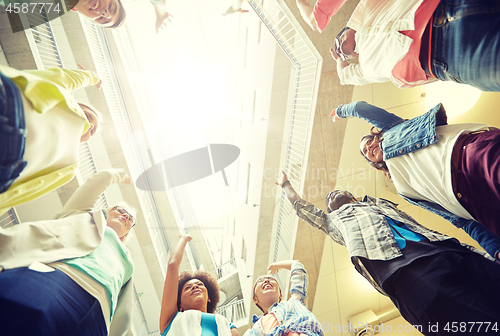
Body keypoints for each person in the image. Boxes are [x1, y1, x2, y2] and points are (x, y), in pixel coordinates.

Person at [277, 171, 500, 333]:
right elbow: (303, 209)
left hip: (447, 248)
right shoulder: (334, 223)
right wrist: (286, 184)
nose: (331, 196)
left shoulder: (379, 204)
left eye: (337, 191)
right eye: (328, 200)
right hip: (408, 273)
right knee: (479, 324)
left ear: (353, 196)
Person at [331, 101, 500, 250]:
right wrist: (493, 247)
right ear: (372, 161)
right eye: (365, 151)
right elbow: (459, 220)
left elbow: (361, 108)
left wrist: (341, 111)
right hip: (468, 199)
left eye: (369, 142)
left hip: (469, 156)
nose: (368, 148)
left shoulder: (393, 130)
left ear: (378, 137)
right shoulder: (401, 188)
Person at [0, 169, 136, 336]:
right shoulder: (83, 217)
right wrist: (121, 175)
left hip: (98, 316)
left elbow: (125, 308)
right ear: (107, 212)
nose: (126, 217)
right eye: (121, 210)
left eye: (130, 219)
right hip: (60, 281)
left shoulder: (129, 260)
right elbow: (98, 181)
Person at [0, 65, 103, 214]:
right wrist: (92, 77)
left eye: (92, 131)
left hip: (8, 169)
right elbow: (65, 78)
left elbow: (28, 189)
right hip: (11, 108)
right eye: (89, 116)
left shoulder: (71, 166)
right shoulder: (62, 97)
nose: (90, 125)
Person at [331, 0, 500, 91]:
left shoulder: (366, 10)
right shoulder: (365, 68)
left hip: (445, 6)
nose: (339, 47)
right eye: (343, 53)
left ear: (347, 28)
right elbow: (345, 76)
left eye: (339, 40)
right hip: (447, 59)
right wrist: (339, 59)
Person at [160, 233, 239, 336]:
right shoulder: (171, 320)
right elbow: (172, 266)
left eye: (200, 284)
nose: (195, 286)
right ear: (180, 306)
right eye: (187, 287)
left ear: (209, 298)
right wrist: (183, 239)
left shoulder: (227, 326)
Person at [245, 260, 324, 336]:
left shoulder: (294, 302)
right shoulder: (252, 331)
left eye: (271, 279)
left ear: (280, 295)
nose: (266, 280)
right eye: (260, 281)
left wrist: (277, 265)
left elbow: (297, 266)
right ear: (255, 299)